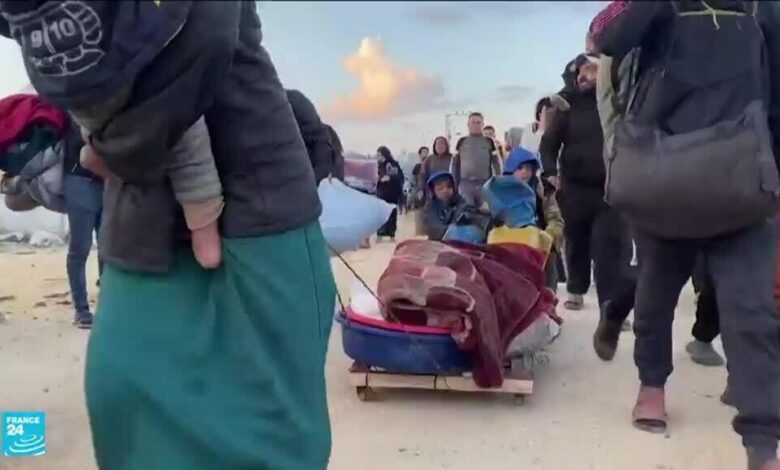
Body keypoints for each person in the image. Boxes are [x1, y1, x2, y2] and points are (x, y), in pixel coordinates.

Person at [3, 3, 337, 468]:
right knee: (132, 420)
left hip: (245, 216)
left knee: (258, 438)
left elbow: (207, 35)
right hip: (148, 226)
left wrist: (115, 147)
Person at [597, 2, 780, 468]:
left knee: (753, 312)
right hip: (667, 176)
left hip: (740, 180)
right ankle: (652, 385)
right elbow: (607, 38)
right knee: (656, 293)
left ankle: (762, 443)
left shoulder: (764, 8)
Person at [540, 53, 631, 312]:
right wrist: (550, 172)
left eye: (591, 70)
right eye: (581, 71)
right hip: (575, 187)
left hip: (610, 187)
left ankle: (610, 305)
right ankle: (576, 289)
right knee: (577, 240)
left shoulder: (616, 103)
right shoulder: (567, 108)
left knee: (608, 247)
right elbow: (548, 144)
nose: (585, 76)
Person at [503, 146, 564, 291]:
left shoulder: (543, 190)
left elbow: (555, 218)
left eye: (528, 168)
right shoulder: (500, 190)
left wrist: (549, 234)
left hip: (538, 242)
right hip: (510, 244)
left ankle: (548, 294)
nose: (525, 172)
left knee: (549, 257)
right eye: (520, 168)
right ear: (511, 169)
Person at [62, 117, 103, 329]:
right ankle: (81, 309)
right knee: (80, 247)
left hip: (107, 182)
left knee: (109, 247)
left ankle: (108, 305)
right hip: (79, 180)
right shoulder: (73, 107)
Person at [450, 112, 502, 208]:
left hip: (484, 184)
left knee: (485, 211)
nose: (476, 125)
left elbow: (496, 164)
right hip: (465, 184)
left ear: (482, 124)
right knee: (467, 210)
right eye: (473, 122)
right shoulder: (461, 141)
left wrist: (498, 182)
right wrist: (454, 184)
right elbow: (455, 164)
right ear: (468, 125)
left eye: (478, 123)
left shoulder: (489, 142)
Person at [421, 171, 467, 241]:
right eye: (440, 188)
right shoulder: (429, 208)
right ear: (433, 191)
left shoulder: (461, 202)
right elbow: (434, 227)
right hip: (438, 244)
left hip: (461, 242)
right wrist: (450, 232)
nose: (445, 191)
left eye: (449, 187)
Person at [376, 146, 404, 241]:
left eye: (380, 155)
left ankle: (391, 234)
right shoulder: (377, 165)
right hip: (381, 193)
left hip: (392, 192)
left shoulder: (393, 164)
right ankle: (380, 233)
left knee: (392, 214)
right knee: (380, 214)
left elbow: (398, 176)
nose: (378, 157)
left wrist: (390, 178)